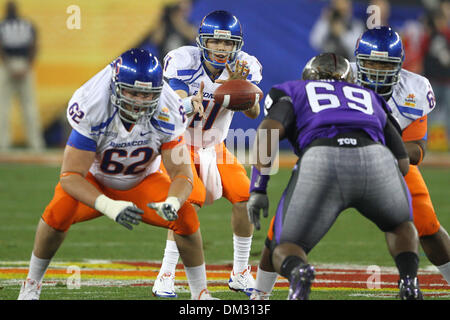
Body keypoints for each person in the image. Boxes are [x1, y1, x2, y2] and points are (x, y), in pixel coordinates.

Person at [17, 48, 217, 300]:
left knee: (185, 216)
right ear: (115, 87)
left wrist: (173, 201)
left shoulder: (169, 108)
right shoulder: (92, 102)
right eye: (132, 92)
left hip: (143, 179)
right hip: (94, 180)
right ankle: (32, 285)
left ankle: (200, 294)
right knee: (57, 213)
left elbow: (182, 173)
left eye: (146, 95)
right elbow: (70, 176)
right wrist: (108, 205)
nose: (138, 101)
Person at [247, 52, 423, 300]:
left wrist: (258, 187)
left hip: (322, 157)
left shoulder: (293, 91)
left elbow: (269, 131)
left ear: (308, 77)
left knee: (286, 246)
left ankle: (298, 273)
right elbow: (403, 162)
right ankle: (409, 282)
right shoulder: (370, 97)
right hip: (377, 157)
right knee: (400, 225)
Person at [151, 10, 262, 298]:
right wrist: (189, 102)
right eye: (215, 42)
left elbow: (254, 114)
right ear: (203, 41)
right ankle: (165, 275)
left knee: (245, 196)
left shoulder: (245, 65)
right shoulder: (182, 59)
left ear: (236, 45)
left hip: (216, 145)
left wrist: (241, 90)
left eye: (228, 44)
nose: (221, 49)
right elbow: (174, 98)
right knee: (189, 201)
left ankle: (240, 273)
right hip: (181, 142)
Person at [352, 26, 450, 285]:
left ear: (399, 65)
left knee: (428, 226)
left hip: (391, 164)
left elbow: (417, 150)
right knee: (297, 223)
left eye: (386, 65)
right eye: (372, 62)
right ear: (358, 61)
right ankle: (261, 291)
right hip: (337, 160)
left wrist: (380, 148)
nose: (377, 70)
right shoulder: (337, 77)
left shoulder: (413, 88)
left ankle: (412, 280)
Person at [0, 1, 44, 151]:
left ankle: (4, 145)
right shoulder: (27, 25)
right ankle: (35, 145)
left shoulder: (3, 25)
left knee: (6, 107)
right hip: (23, 65)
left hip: (8, 66)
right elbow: (34, 46)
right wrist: (27, 65)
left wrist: (9, 66)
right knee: (27, 107)